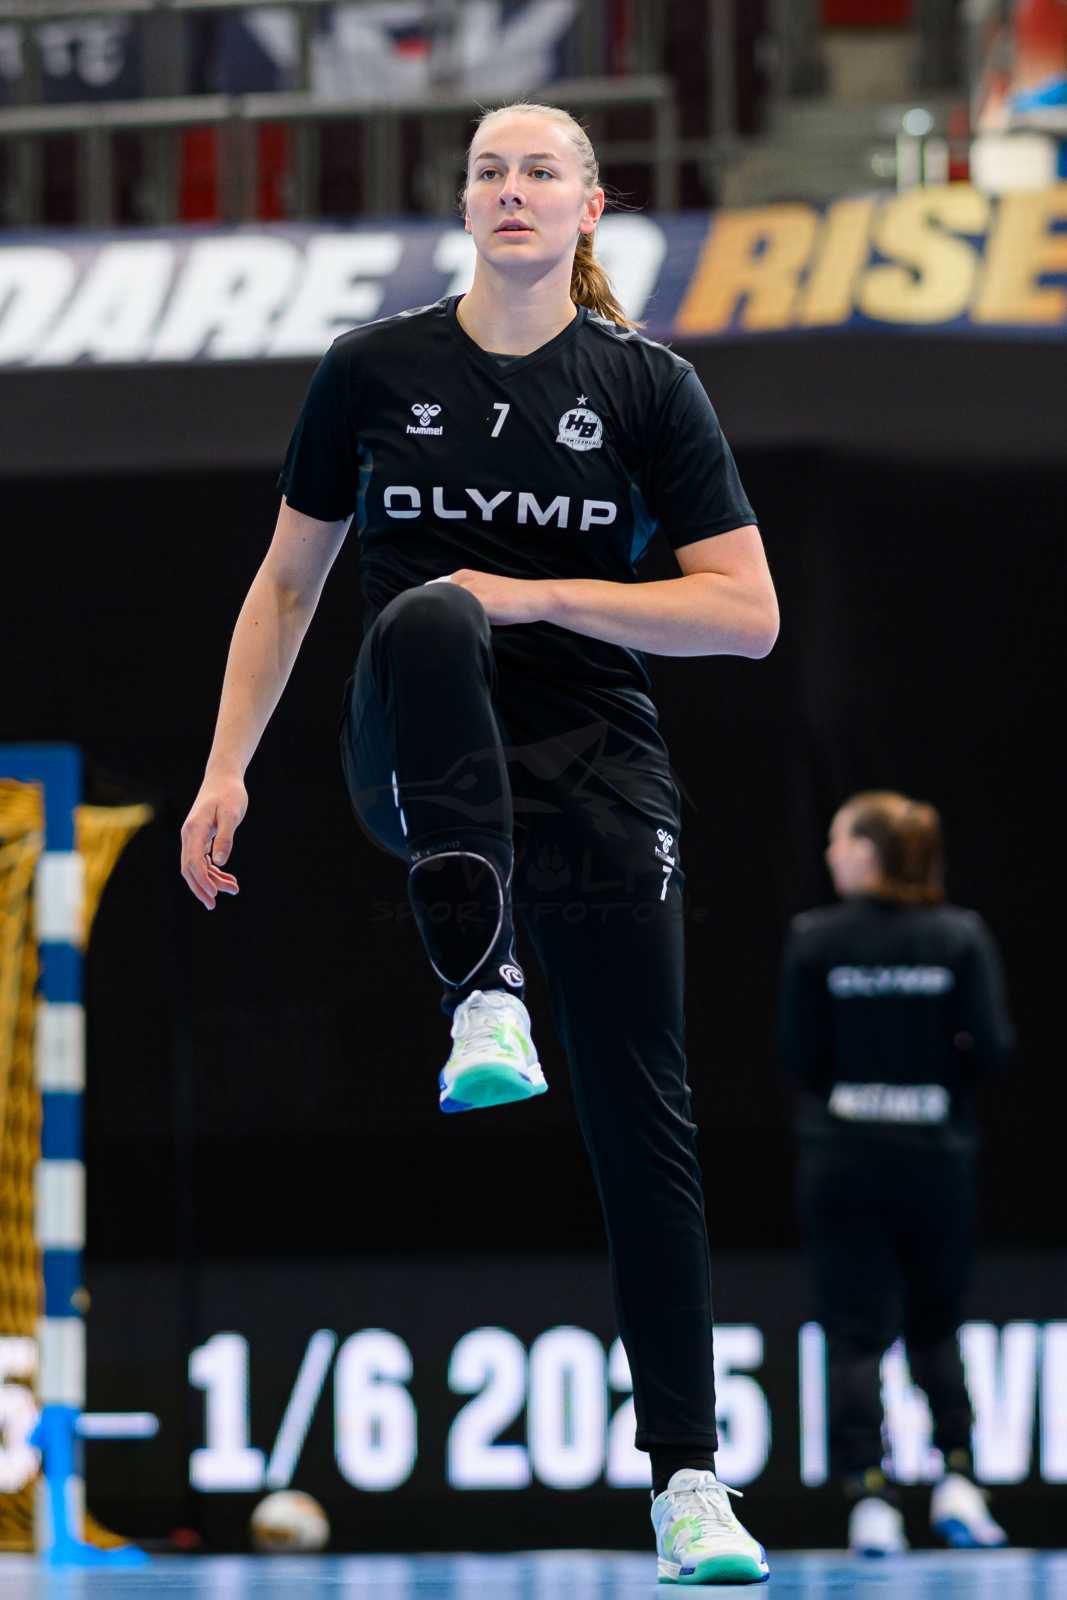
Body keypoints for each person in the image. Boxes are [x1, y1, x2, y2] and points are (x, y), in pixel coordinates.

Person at [180, 100, 778, 1585]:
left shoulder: (645, 386)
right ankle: (482, 989)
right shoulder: (369, 368)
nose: (512, 189)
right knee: (432, 613)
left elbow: (745, 614)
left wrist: (544, 594)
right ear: (464, 206)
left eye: (540, 170)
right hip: (415, 748)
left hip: (593, 769)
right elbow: (286, 585)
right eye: (488, 171)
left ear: (588, 207)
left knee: (643, 1119)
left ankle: (688, 1483)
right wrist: (224, 768)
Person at [777, 791, 1016, 1557]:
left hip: (843, 1158)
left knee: (853, 1335)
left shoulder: (814, 939)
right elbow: (992, 1049)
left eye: (837, 840)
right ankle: (959, 1479)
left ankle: (869, 1498)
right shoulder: (958, 936)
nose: (829, 855)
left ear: (867, 851)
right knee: (935, 1324)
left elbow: (796, 1056)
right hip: (934, 1157)